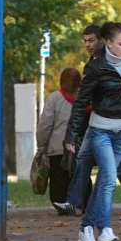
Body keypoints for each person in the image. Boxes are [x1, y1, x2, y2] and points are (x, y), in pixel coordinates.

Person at [63, 22, 121, 241]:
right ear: (109, 43)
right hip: (100, 130)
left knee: (104, 182)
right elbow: (81, 102)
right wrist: (71, 134)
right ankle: (105, 230)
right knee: (109, 179)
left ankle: (86, 229)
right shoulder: (95, 67)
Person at [36, 67, 81, 205]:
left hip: (57, 148)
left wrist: (42, 145)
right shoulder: (84, 98)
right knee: (79, 176)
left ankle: (60, 202)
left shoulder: (54, 98)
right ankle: (80, 202)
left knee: (58, 177)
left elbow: (45, 124)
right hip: (80, 146)